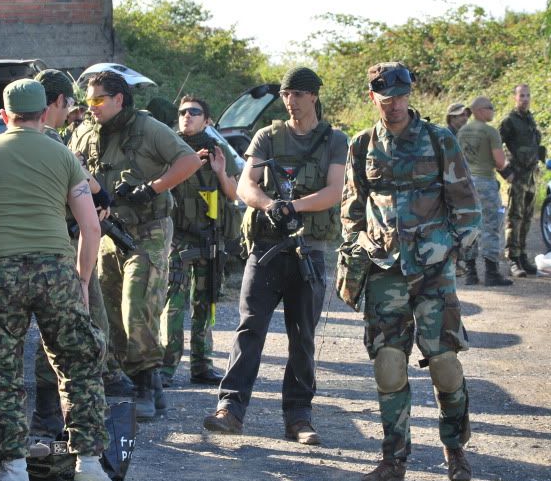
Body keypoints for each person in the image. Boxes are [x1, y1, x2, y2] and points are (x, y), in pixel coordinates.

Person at [0, 78, 115, 481]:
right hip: (56, 269)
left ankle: (14, 472)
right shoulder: (63, 156)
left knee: (0, 371)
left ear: (4, 116)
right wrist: (82, 277)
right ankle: (90, 465)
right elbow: (91, 226)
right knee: (78, 365)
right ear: (43, 115)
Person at [340, 62, 480, 481]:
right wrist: (354, 255)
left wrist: (456, 251)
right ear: (374, 98)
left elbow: (467, 204)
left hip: (434, 269)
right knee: (387, 364)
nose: (395, 105)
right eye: (387, 98)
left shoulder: (440, 140)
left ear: (410, 95)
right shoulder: (362, 145)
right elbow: (351, 207)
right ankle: (393, 458)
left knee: (445, 365)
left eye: (401, 96)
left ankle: (454, 449)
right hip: (385, 268)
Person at [203, 66, 347, 446]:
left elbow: (334, 191)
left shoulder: (334, 139)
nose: (291, 101)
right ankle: (230, 410)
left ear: (313, 95)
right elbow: (246, 185)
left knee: (302, 336)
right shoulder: (268, 135)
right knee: (250, 329)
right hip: (266, 249)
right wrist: (270, 206)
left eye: (298, 94)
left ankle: (299, 417)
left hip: (308, 251)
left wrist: (294, 206)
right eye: (286, 94)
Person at [68, 71, 202, 420]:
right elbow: (69, 168)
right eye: (88, 100)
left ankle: (145, 382)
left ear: (119, 99)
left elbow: (189, 161)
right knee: (109, 309)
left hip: (148, 230)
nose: (91, 106)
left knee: (136, 305)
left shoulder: (148, 128)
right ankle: (144, 384)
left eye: (98, 99)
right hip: (108, 233)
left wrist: (152, 188)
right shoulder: (85, 132)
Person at [26, 69, 132, 443]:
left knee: (65, 331)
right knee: (61, 335)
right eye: (68, 103)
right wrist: (99, 198)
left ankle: (57, 410)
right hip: (58, 253)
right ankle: (53, 415)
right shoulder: (52, 143)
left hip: (16, 256)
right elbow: (88, 191)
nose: (71, 111)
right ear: (55, 103)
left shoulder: (6, 145)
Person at [160, 95, 240, 386]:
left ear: (207, 120)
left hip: (209, 238)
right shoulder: (169, 147)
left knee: (205, 302)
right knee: (173, 304)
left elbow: (234, 193)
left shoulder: (219, 150)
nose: (187, 116)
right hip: (178, 239)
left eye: (194, 112)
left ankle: (201, 364)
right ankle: (166, 367)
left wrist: (219, 171)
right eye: (182, 112)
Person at [458, 96, 513, 286]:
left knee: (470, 226)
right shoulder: (490, 132)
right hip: (485, 182)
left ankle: (471, 272)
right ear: (480, 110)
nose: (493, 110)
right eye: (490, 107)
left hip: (466, 183)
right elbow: (499, 162)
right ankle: (491, 273)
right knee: (491, 225)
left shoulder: (462, 131)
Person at [499, 84, 545, 277]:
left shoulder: (529, 119)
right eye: (521, 96)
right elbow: (496, 146)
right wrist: (505, 171)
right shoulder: (509, 121)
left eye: (527, 95)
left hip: (531, 175)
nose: (525, 99)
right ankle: (512, 258)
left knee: (527, 218)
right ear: (515, 98)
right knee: (515, 217)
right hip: (517, 176)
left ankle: (522, 255)